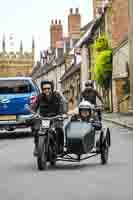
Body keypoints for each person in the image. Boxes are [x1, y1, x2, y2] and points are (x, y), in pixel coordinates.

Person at [31, 80, 67, 156]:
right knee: (36, 129)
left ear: (52, 88)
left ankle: (60, 147)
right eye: (44, 89)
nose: (46, 90)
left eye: (48, 88)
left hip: (56, 117)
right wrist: (34, 113)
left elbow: (63, 103)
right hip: (43, 118)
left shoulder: (57, 95)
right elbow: (34, 106)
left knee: (59, 129)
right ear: (42, 89)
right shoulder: (40, 97)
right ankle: (37, 146)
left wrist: (62, 114)